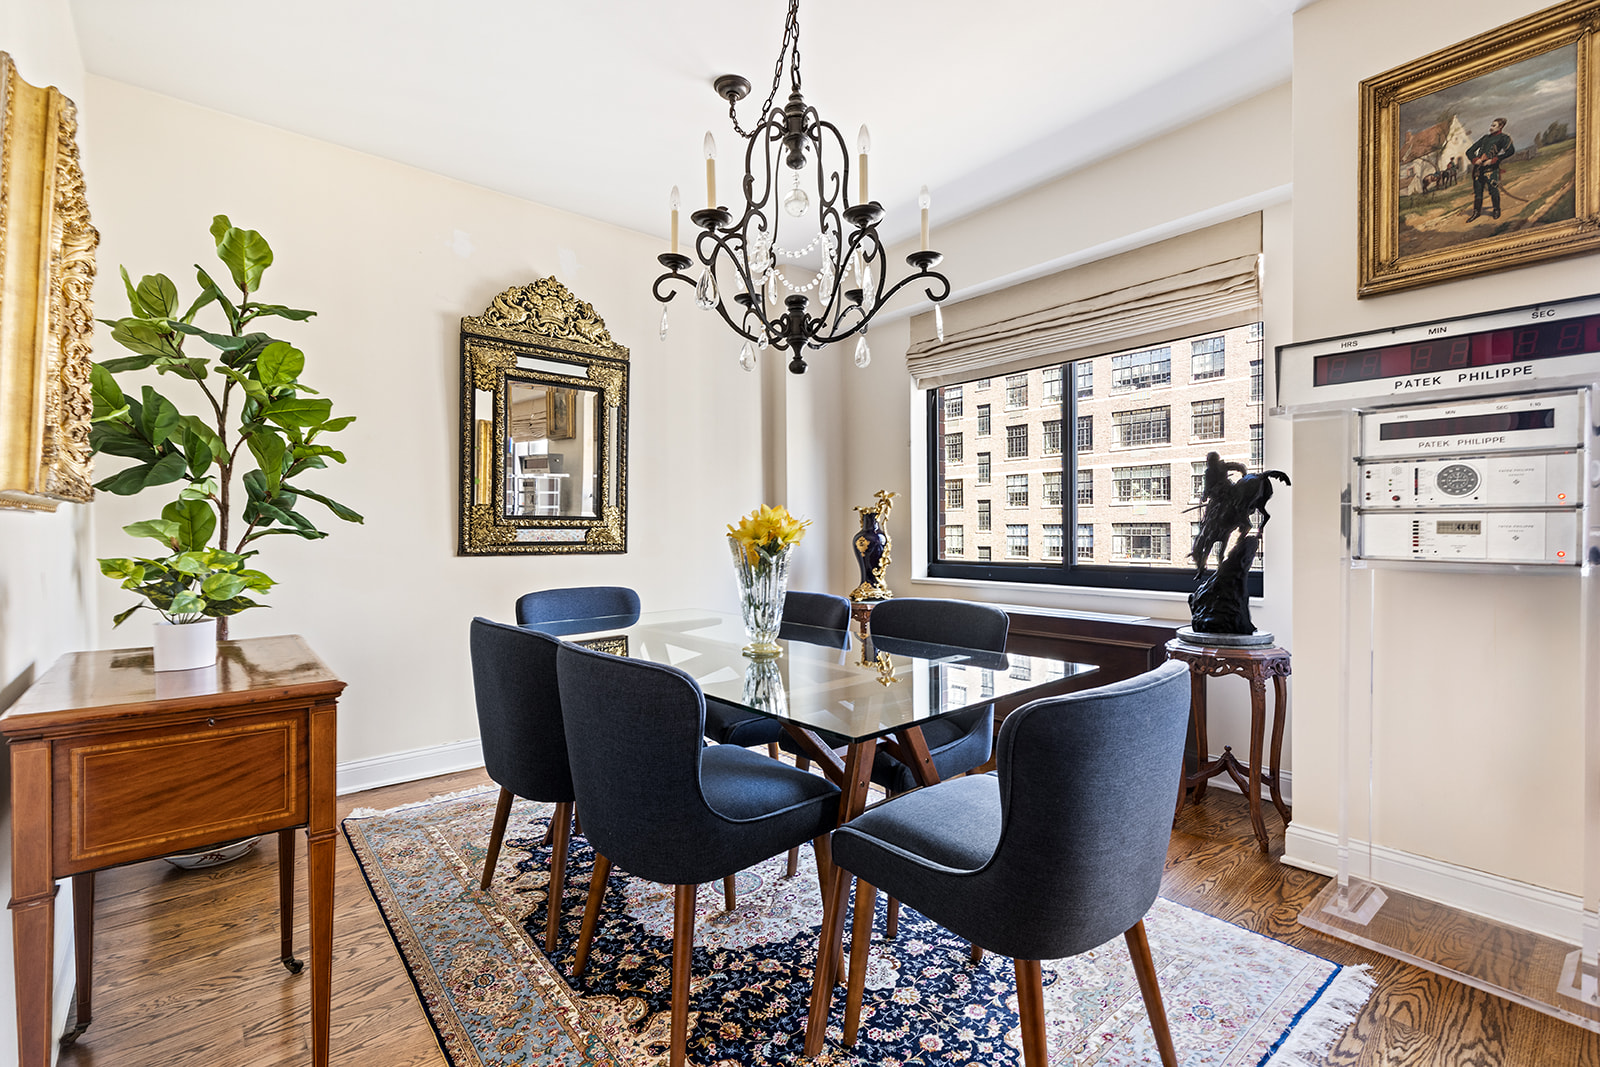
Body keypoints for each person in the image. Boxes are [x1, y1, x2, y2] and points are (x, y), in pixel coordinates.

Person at [1466, 118, 1514, 221]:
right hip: (1478, 170)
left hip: (1491, 169)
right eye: (1491, 125)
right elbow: (1469, 151)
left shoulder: (1504, 138)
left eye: (1494, 126)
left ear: (1500, 127)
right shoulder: (1485, 138)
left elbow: (1510, 151)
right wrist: (1475, 160)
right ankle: (1476, 212)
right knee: (1478, 191)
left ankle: (1496, 210)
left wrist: (1494, 160)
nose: (1491, 128)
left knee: (1493, 190)